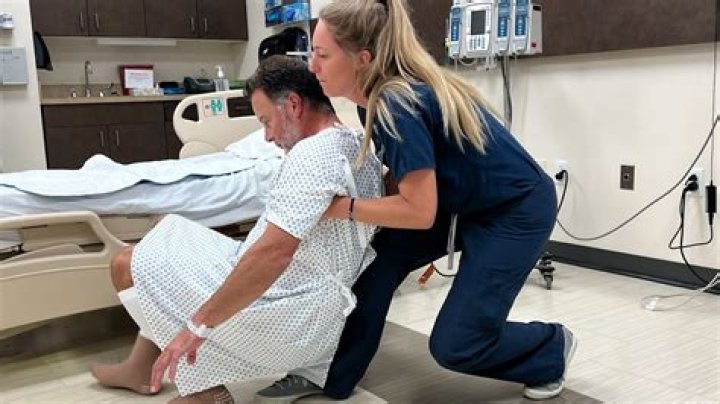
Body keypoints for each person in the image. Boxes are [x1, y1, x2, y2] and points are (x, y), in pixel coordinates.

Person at [255, 0, 577, 402]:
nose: (312, 66)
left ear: (362, 59)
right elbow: (405, 175)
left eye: (321, 54)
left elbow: (418, 212)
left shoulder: (397, 104)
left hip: (515, 211)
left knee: (457, 343)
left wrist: (342, 209)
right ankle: (332, 376)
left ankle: (550, 348)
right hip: (461, 203)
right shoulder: (371, 102)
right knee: (374, 263)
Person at [89, 55, 382, 404]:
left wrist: (197, 326)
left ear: (293, 105)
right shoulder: (353, 140)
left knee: (126, 264)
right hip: (311, 292)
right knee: (167, 231)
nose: (267, 136)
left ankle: (206, 392)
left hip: (290, 310)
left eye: (267, 121)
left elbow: (273, 254)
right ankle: (139, 368)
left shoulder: (311, 158)